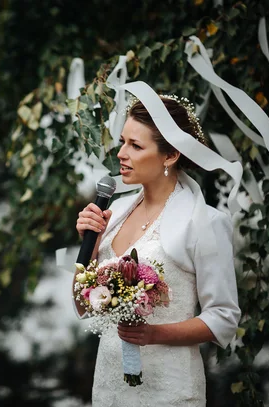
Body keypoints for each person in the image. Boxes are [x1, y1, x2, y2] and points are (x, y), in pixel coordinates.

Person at [74, 94, 241, 406]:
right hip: (108, 386)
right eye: (122, 142)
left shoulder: (203, 222)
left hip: (168, 388)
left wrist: (154, 334)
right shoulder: (115, 212)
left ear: (170, 155)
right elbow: (83, 308)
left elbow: (224, 317)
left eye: (135, 146)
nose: (121, 154)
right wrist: (90, 247)